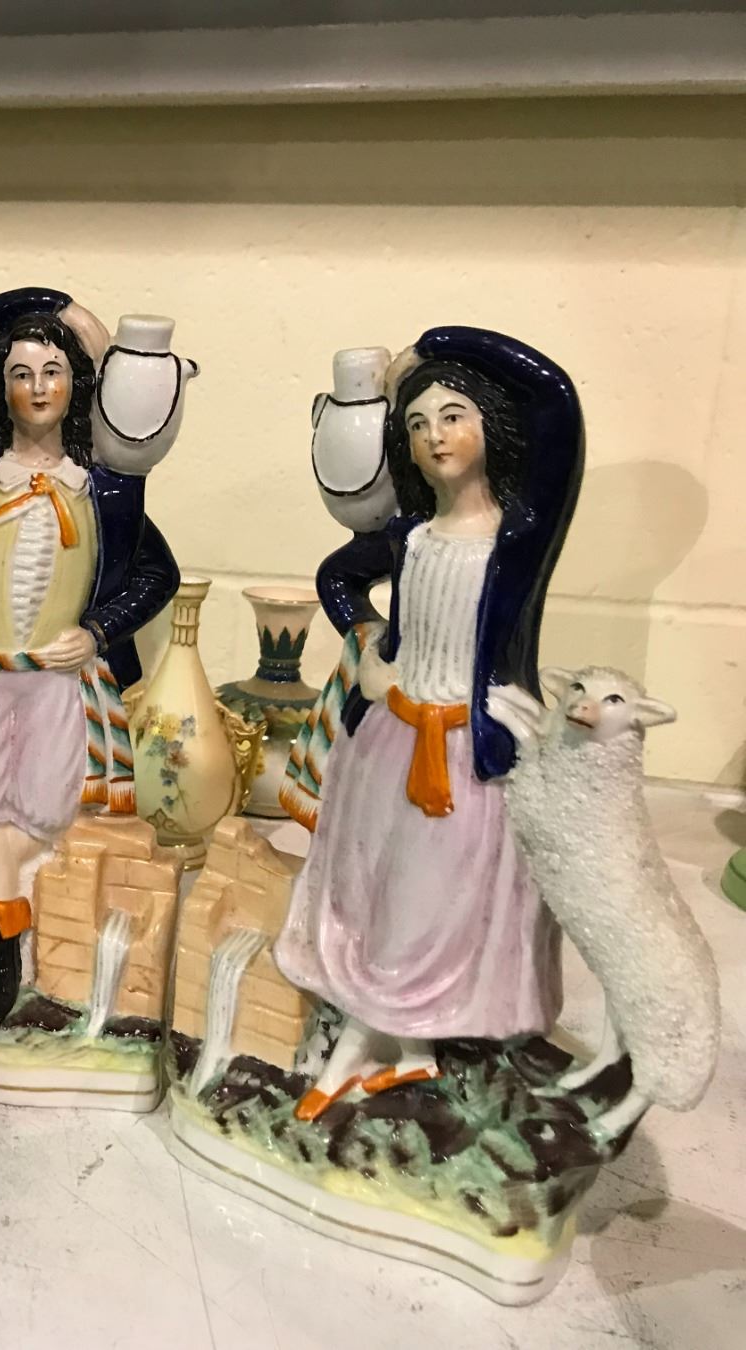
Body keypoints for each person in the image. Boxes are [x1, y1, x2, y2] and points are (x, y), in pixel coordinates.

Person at [273, 326, 584, 1120]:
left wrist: (438, 344)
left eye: (452, 416)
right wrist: (371, 645)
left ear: (489, 429)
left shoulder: (517, 536)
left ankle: (363, 1048)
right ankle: (408, 1051)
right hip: (391, 740)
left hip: (470, 756)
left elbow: (554, 400)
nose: (434, 436)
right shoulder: (409, 538)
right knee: (376, 890)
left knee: (437, 903)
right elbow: (337, 577)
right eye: (416, 424)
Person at [0, 289, 180, 1023]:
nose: (37, 389)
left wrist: (97, 631)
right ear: (0, 385)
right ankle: (5, 961)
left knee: (41, 819)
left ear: (75, 385)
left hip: (55, 686)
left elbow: (158, 575)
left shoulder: (105, 488)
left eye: (52, 372)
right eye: (21, 374)